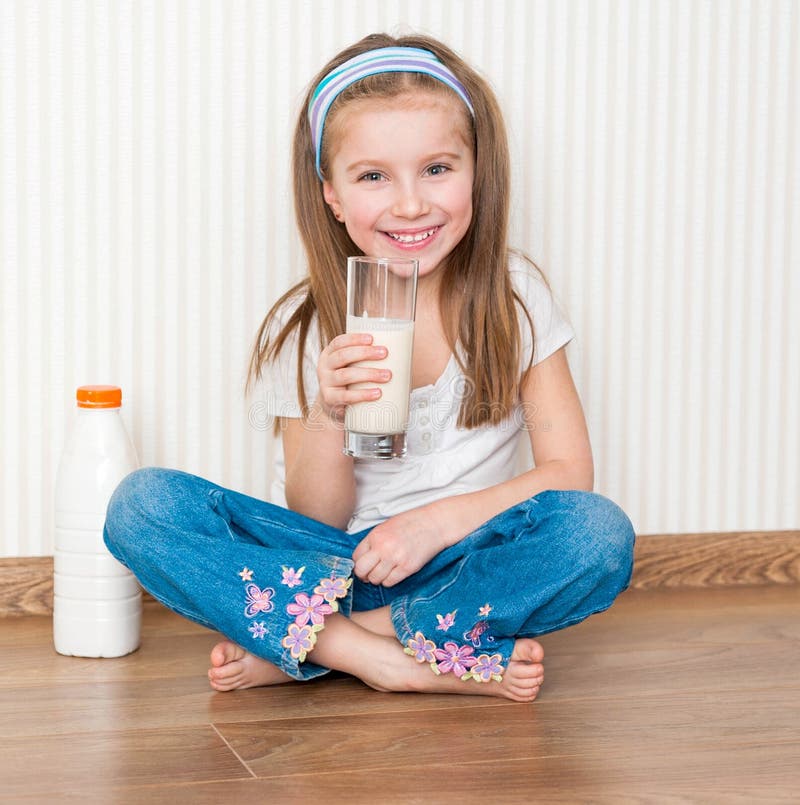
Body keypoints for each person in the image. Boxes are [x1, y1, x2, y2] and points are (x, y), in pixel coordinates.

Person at [103, 32, 635, 703]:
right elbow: (319, 510)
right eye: (373, 176)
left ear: (479, 171)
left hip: (455, 562)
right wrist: (328, 412)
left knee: (597, 533)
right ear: (331, 194)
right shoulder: (307, 326)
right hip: (327, 562)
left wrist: (434, 525)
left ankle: (330, 643)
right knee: (140, 505)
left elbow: (570, 475)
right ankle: (392, 656)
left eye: (438, 169)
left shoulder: (516, 296)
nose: (410, 204)